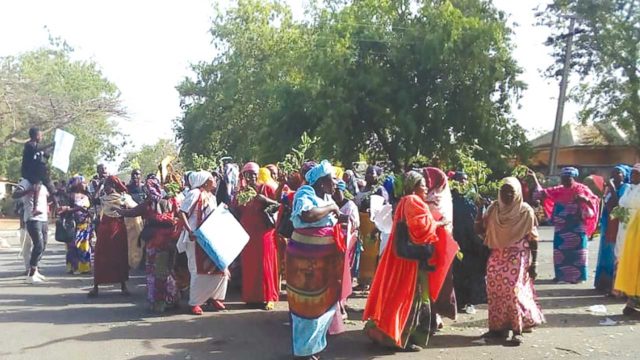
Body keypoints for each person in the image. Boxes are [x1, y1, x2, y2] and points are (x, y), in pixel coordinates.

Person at [363, 171, 448, 352]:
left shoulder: (405, 201)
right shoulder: (413, 200)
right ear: (414, 185)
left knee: (397, 294)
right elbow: (419, 227)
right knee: (408, 296)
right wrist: (439, 224)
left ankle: (387, 334)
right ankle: (399, 338)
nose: (425, 187)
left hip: (401, 256)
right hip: (409, 260)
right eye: (422, 184)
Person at [475, 177, 545, 345]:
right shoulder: (493, 209)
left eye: (511, 192)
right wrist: (479, 210)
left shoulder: (525, 211)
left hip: (517, 255)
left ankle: (517, 329)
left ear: (518, 193)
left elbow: (533, 239)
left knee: (512, 290)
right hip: (497, 255)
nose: (507, 195)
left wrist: (534, 264)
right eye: (503, 191)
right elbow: (479, 230)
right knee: (494, 291)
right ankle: (497, 328)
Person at [287, 160, 346, 360]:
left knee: (323, 303)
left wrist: (337, 201)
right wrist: (330, 207)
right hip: (306, 261)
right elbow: (307, 214)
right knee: (307, 305)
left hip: (325, 259)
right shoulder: (305, 194)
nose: (335, 183)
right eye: (332, 180)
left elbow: (335, 212)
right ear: (321, 183)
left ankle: (314, 347)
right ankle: (304, 350)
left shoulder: (327, 195)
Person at [117, 176, 180, 313]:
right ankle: (172, 298)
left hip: (155, 244)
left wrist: (119, 211)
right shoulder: (171, 201)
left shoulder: (147, 205)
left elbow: (131, 212)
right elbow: (180, 216)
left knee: (155, 273)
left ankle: (159, 302)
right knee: (168, 270)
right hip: (170, 242)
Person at [531, 167, 599, 284]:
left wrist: (585, 199)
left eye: (568, 178)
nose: (565, 181)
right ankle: (561, 276)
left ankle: (577, 277)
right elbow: (541, 194)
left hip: (577, 227)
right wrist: (534, 178)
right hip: (561, 228)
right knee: (560, 252)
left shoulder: (582, 189)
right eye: (563, 179)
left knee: (577, 253)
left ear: (573, 178)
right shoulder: (559, 189)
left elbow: (595, 200)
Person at [177, 171, 229, 316]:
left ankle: (214, 297)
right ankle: (195, 302)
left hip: (211, 237)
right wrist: (190, 231)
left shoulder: (212, 196)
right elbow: (182, 212)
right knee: (198, 270)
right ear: (205, 181)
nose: (215, 180)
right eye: (212, 179)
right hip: (196, 238)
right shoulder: (194, 193)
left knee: (218, 268)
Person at [235, 162, 280, 310]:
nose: (251, 177)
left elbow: (279, 205)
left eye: (253, 174)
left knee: (265, 264)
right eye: (247, 175)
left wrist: (265, 200)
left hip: (264, 232)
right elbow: (235, 209)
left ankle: (269, 297)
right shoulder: (241, 192)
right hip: (247, 233)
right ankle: (251, 297)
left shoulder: (266, 188)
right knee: (250, 265)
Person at [89, 176, 137, 297]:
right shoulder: (103, 198)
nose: (105, 188)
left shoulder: (124, 198)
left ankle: (123, 286)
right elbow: (92, 200)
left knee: (119, 257)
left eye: (107, 186)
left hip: (118, 230)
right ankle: (96, 286)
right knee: (100, 257)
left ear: (114, 186)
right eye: (104, 186)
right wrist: (99, 186)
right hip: (104, 231)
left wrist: (124, 209)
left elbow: (135, 208)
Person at [423, 167, 457, 325]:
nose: (426, 182)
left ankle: (435, 314)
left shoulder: (440, 197)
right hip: (425, 242)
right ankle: (429, 314)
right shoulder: (422, 196)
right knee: (426, 280)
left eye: (428, 178)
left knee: (439, 280)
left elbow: (444, 219)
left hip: (440, 243)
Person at [451, 172, 488, 313]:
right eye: (459, 180)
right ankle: (459, 301)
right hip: (457, 240)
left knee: (471, 272)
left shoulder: (472, 199)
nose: (462, 183)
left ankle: (469, 301)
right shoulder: (450, 199)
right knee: (458, 273)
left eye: (465, 180)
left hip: (471, 242)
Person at [328, 180, 360, 335]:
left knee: (343, 275)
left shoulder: (350, 206)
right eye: (334, 191)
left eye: (338, 191)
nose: (336, 194)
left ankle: (341, 305)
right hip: (333, 245)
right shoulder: (329, 204)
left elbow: (355, 226)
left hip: (347, 245)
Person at [594, 165, 631, 294]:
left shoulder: (625, 188)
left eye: (618, 173)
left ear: (624, 175)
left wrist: (612, 188)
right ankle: (602, 283)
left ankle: (611, 284)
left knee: (613, 253)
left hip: (617, 223)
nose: (614, 175)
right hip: (607, 221)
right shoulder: (609, 189)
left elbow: (618, 202)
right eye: (613, 173)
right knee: (604, 253)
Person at [354, 165, 389, 291]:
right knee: (362, 253)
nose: (369, 175)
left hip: (373, 224)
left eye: (372, 173)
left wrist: (373, 210)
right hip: (362, 223)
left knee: (372, 252)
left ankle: (372, 280)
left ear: (378, 176)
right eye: (367, 173)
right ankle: (362, 280)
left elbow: (385, 207)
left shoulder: (380, 190)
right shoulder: (362, 189)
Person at [12, 177, 50, 284]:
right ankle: (31, 274)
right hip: (32, 218)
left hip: (44, 218)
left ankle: (35, 270)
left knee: (44, 245)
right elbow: (14, 194)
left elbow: (47, 198)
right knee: (38, 245)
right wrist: (29, 190)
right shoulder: (26, 181)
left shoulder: (43, 184)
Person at [614, 164, 640, 315]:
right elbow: (622, 205)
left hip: (637, 231)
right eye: (632, 173)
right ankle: (630, 302)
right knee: (628, 263)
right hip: (626, 231)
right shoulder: (629, 189)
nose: (633, 176)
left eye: (636, 174)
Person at [58, 176, 94, 275]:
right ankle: (74, 267)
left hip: (85, 224)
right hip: (73, 224)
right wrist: (72, 209)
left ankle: (84, 267)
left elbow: (90, 207)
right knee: (72, 246)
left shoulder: (87, 195)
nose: (85, 184)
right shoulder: (70, 195)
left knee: (85, 246)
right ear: (77, 184)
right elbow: (63, 209)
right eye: (83, 182)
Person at [20, 127, 55, 216]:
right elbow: (37, 149)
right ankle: (34, 208)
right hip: (29, 171)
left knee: (51, 185)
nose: (41, 137)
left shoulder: (40, 147)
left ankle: (57, 205)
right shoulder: (29, 145)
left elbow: (46, 154)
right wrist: (50, 144)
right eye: (40, 135)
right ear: (35, 136)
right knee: (37, 184)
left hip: (39, 170)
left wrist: (53, 148)